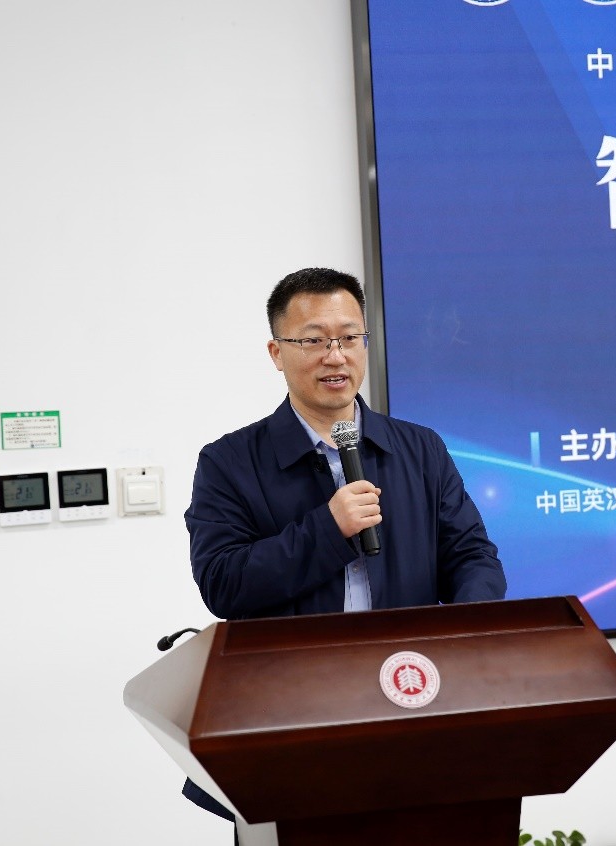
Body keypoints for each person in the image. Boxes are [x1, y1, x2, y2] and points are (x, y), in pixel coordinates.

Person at [180, 266, 507, 834]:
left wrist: (462, 639)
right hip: (294, 719)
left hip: (414, 695)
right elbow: (223, 583)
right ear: (277, 352)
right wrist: (327, 530)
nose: (336, 356)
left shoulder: (419, 448)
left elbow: (472, 556)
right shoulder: (228, 463)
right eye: (314, 340)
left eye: (349, 337)